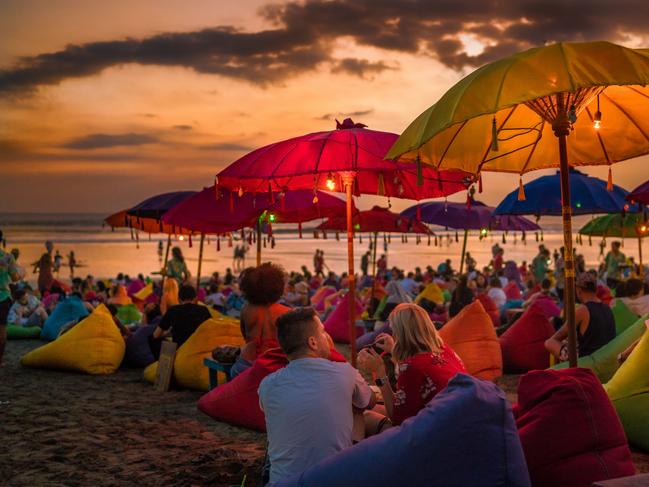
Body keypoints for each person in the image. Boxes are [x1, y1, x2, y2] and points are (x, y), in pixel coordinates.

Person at [258, 307, 374, 484]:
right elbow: (369, 402)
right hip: (335, 479)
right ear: (313, 342)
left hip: (282, 483)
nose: (327, 336)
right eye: (323, 331)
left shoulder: (268, 385)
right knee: (357, 410)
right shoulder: (345, 372)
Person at [357, 303, 466, 426]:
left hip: (437, 431)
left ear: (401, 334)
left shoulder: (412, 368)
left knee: (364, 414)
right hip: (459, 418)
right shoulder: (445, 350)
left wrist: (380, 372)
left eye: (394, 331)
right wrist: (394, 350)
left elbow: (397, 418)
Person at [230, 263, 291, 377]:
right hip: (273, 366)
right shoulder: (286, 312)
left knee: (234, 371)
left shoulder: (246, 310)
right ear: (278, 288)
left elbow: (245, 336)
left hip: (245, 365)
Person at [545, 272, 616, 360]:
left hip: (588, 360)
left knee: (549, 342)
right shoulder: (607, 308)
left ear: (578, 290)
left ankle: (566, 366)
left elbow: (557, 337)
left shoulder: (582, 310)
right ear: (595, 289)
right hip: (606, 358)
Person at [152, 285, 210, 355]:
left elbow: (156, 335)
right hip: (197, 354)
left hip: (178, 355)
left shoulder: (172, 310)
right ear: (195, 298)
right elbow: (211, 331)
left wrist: (171, 333)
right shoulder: (203, 310)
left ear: (179, 299)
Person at [0, 232, 20, 365]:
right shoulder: (8, 257)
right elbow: (14, 278)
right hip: (3, 296)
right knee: (1, 329)